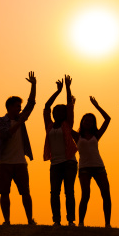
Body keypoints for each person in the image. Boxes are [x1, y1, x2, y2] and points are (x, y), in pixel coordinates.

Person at [0, 72, 36, 225]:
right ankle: (7, 220)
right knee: (4, 192)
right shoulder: (0, 121)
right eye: (18, 106)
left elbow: (31, 104)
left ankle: (30, 220)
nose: (20, 109)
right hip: (4, 162)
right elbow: (5, 135)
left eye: (20, 106)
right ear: (10, 107)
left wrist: (33, 85)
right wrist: (19, 122)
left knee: (25, 192)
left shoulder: (21, 118)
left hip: (20, 162)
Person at [43, 75, 78, 226]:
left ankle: (70, 220)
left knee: (69, 191)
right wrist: (58, 91)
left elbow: (69, 105)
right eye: (55, 111)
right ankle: (56, 220)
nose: (56, 113)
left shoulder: (67, 124)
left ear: (64, 114)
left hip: (69, 162)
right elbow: (46, 106)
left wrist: (68, 88)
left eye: (59, 111)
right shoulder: (49, 126)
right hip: (55, 163)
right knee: (54, 193)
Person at [72, 97, 111, 228]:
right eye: (85, 120)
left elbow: (107, 119)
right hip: (84, 168)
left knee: (105, 192)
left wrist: (97, 106)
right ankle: (81, 222)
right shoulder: (77, 136)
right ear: (82, 122)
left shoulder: (96, 135)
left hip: (99, 166)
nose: (87, 122)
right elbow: (66, 124)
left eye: (90, 121)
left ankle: (107, 223)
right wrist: (71, 105)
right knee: (86, 194)